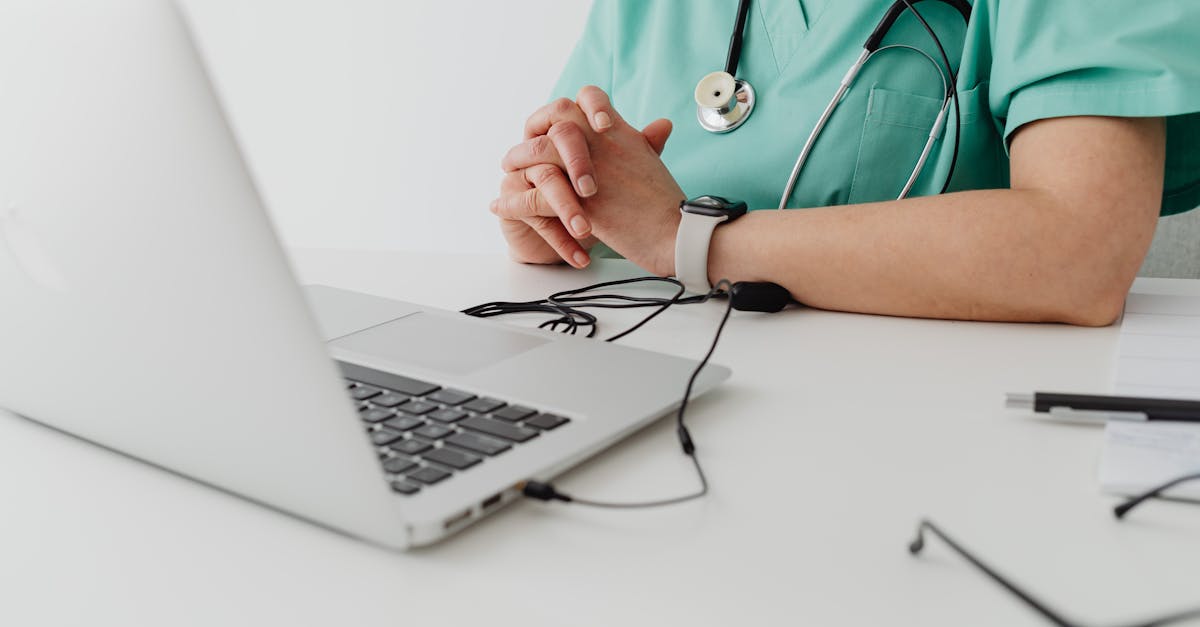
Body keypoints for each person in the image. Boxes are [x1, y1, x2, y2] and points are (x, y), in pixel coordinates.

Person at [488, 1, 1200, 326]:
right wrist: (561, 220)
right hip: (656, 412)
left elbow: (1078, 252)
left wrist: (686, 237)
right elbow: (603, 189)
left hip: (931, 441)